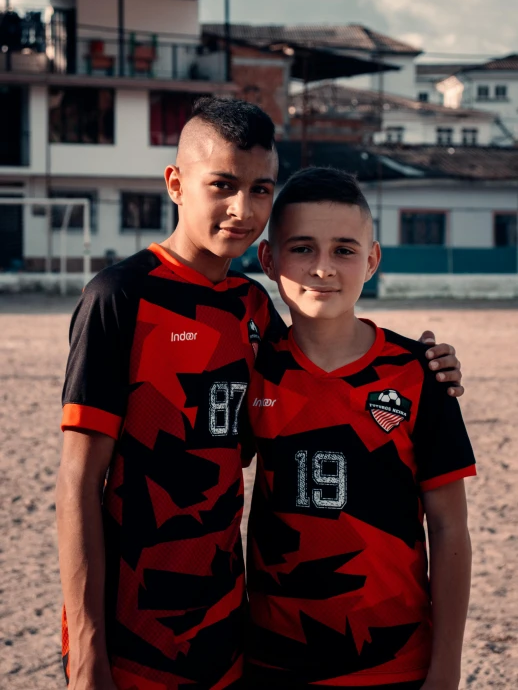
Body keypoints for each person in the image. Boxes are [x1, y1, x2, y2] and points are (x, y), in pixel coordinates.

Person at [56, 99, 464, 690]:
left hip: (228, 631)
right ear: (175, 182)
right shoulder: (120, 296)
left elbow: (300, 390)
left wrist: (432, 364)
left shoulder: (250, 310)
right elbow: (76, 481)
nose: (241, 209)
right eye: (222, 185)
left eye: (260, 189)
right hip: (131, 629)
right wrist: (89, 647)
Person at [246, 167, 476, 690]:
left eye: (344, 250)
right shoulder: (254, 364)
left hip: (394, 660)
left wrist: (446, 669)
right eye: (302, 248)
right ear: (268, 258)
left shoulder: (421, 373)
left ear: (372, 260)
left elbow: (449, 529)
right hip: (273, 658)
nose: (323, 268)